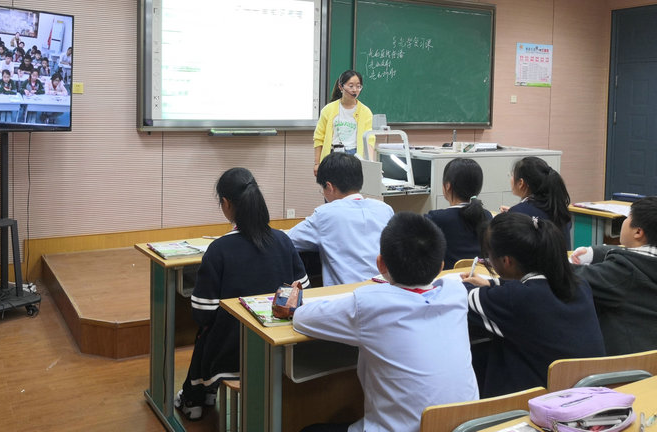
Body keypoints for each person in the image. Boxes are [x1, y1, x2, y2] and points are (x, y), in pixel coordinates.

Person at [293, 212, 479, 432]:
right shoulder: (455, 293)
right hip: (463, 426)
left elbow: (302, 318)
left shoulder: (370, 303)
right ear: (440, 266)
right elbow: (451, 281)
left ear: (380, 264)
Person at [174, 167, 308, 421]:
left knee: (208, 331)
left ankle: (195, 397)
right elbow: (302, 288)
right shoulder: (283, 240)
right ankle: (202, 393)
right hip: (280, 345)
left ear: (225, 204)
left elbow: (202, 313)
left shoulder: (219, 249)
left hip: (232, 353)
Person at [462, 212, 605, 398]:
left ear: (506, 261)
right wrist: (493, 284)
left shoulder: (515, 298)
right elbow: (533, 292)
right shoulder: (578, 284)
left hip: (543, 403)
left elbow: (461, 297)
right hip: (590, 394)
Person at [287, 152, 394, 286]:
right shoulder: (384, 209)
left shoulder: (325, 214)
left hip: (347, 297)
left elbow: (286, 241)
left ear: (329, 187)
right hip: (386, 291)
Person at [570, 196, 657, 355]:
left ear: (638, 232)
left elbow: (573, 276)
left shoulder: (624, 273)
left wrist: (548, 258)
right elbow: (632, 253)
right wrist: (594, 253)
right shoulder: (644, 264)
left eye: (627, 217)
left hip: (625, 368)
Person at [426, 158, 492, 269]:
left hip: (448, 280)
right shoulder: (487, 216)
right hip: (481, 277)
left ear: (447, 186)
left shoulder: (436, 218)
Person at [313, 70, 374, 176]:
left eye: (358, 86)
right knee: (333, 188)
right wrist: (317, 163)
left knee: (350, 189)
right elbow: (319, 138)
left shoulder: (365, 112)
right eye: (351, 86)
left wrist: (370, 163)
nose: (355, 90)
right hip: (332, 155)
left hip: (354, 156)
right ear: (341, 87)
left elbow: (369, 139)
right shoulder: (328, 109)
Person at [501, 156, 572, 247]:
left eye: (511, 175)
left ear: (521, 183)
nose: (510, 179)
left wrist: (513, 214)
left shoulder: (518, 213)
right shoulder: (559, 208)